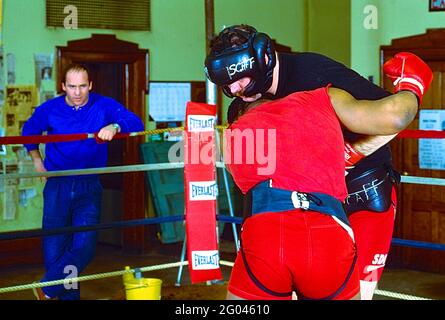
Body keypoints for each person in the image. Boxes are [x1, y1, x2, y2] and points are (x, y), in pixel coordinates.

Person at [205, 24, 433, 299]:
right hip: (298, 211)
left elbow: (391, 119)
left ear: (263, 58)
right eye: (226, 84)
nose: (234, 89)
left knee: (357, 290)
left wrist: (349, 154)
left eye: (239, 78)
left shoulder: (313, 74)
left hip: (361, 191)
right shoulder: (248, 105)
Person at [22, 64, 144, 300]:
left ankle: (46, 288)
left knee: (84, 246)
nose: (77, 92)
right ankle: (63, 295)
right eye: (72, 86)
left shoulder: (103, 105)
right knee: (54, 249)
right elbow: (29, 132)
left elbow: (135, 121)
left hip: (89, 183)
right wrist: (37, 161)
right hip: (58, 183)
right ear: (63, 86)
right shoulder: (50, 109)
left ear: (90, 85)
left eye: (82, 86)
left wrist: (115, 125)